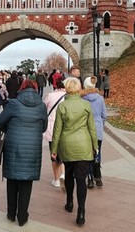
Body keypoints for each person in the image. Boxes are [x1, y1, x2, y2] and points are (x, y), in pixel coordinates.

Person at [0, 79, 47, 227]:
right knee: (26, 182)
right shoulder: (41, 106)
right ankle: (22, 216)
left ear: (21, 88)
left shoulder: (13, 104)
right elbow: (43, 127)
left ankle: (11, 213)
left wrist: (10, 130)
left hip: (13, 145)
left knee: (12, 180)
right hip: (32, 148)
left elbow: (0, 121)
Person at [51, 77, 98, 227]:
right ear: (78, 89)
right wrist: (95, 146)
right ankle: (81, 212)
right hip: (84, 145)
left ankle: (70, 201)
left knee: (69, 175)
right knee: (81, 179)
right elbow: (92, 128)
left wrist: (54, 149)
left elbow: (57, 130)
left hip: (67, 145)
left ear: (66, 89)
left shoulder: (62, 106)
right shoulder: (86, 105)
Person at [82, 76, 107, 188]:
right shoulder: (100, 98)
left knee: (88, 153)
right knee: (97, 152)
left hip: (86, 128)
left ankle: (90, 177)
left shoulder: (82, 99)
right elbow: (104, 115)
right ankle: (98, 177)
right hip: (97, 128)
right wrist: (100, 123)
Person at [43, 77, 66, 189]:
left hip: (52, 129)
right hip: (65, 130)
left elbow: (44, 108)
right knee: (64, 153)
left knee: (54, 154)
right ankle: (64, 174)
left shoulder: (50, 96)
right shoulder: (68, 97)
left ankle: (56, 180)